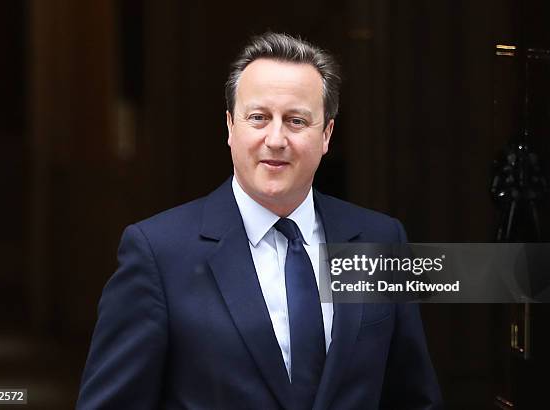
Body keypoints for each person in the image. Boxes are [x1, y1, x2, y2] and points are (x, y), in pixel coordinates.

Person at [77, 32, 442, 409]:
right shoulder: (158, 253)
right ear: (230, 127)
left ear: (327, 134)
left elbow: (413, 397)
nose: (276, 138)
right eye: (259, 118)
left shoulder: (380, 240)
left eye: (296, 120)